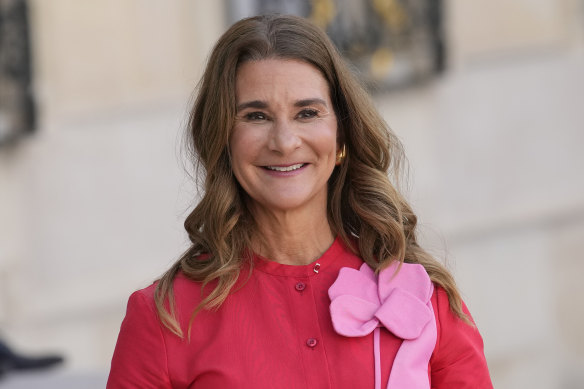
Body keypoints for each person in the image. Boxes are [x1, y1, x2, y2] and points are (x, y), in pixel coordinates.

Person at [107, 14, 493, 388]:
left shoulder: (423, 296)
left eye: (307, 113)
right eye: (256, 116)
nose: (285, 141)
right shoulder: (167, 317)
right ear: (222, 139)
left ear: (341, 135)